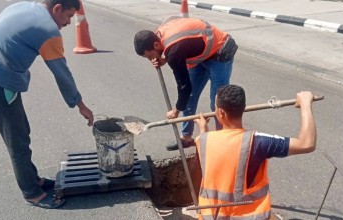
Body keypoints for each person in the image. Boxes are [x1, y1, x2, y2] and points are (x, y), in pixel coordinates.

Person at [0, 0, 94, 209]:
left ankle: (33, 180)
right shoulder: (48, 31)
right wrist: (80, 104)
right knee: (17, 139)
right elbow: (61, 74)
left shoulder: (25, 7)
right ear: (57, 8)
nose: (67, 23)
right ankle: (31, 192)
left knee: (21, 131)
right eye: (68, 16)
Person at [193, 85, 317, 219]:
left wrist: (203, 129)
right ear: (244, 108)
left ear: (221, 112)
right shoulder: (257, 142)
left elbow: (206, 143)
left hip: (211, 216)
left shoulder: (202, 140)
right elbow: (307, 144)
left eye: (215, 107)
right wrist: (305, 104)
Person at [134, 17, 238, 151]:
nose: (151, 59)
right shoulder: (159, 35)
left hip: (219, 51)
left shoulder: (174, 52)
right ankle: (186, 138)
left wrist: (176, 110)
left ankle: (223, 143)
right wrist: (162, 58)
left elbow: (184, 86)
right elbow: (180, 47)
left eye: (150, 56)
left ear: (155, 45)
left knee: (218, 103)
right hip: (200, 53)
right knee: (190, 98)